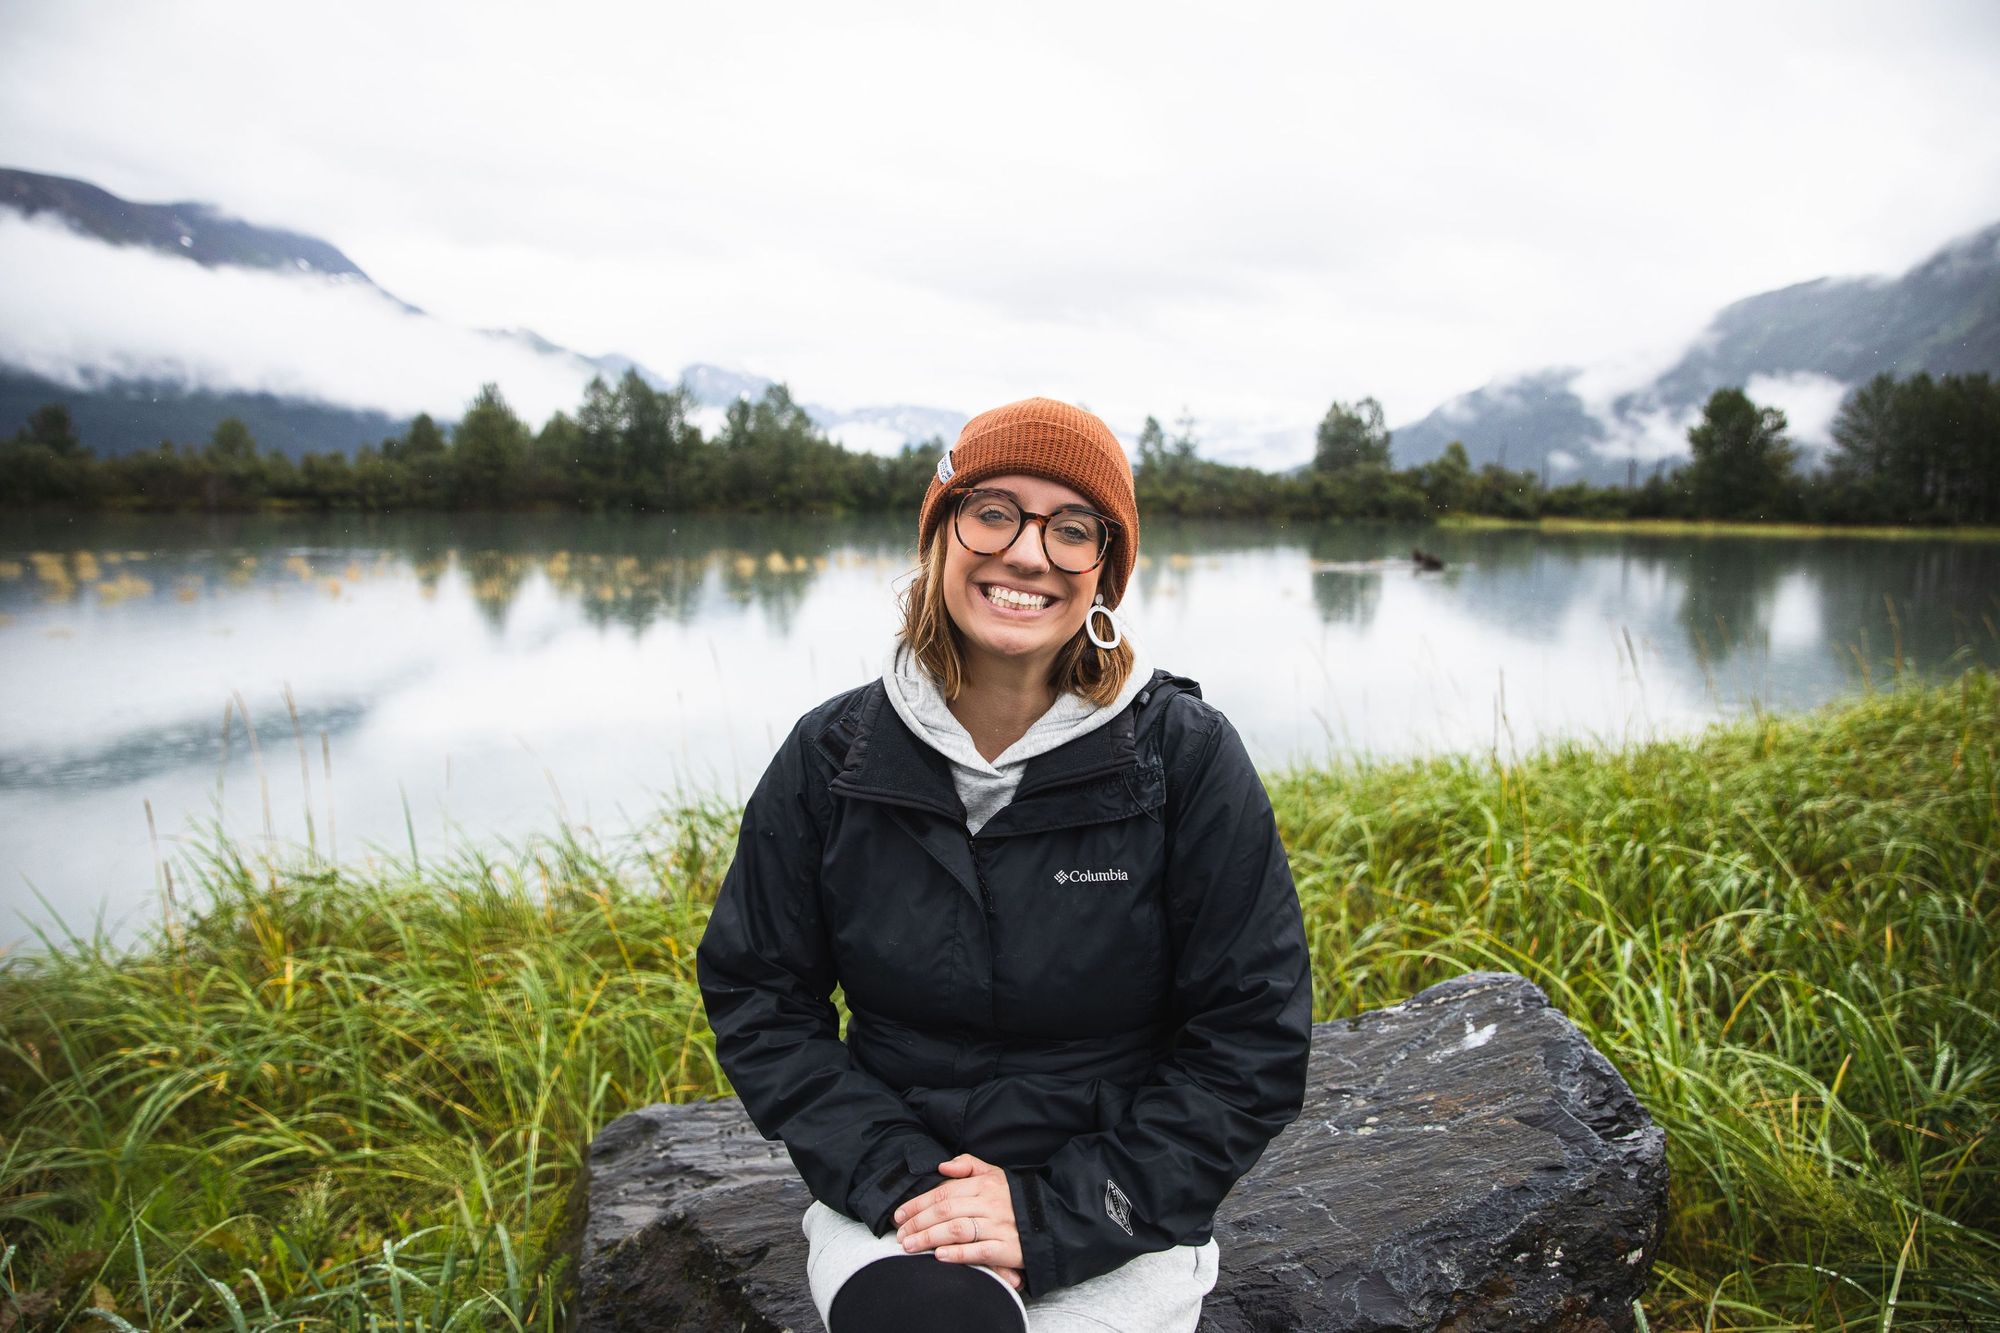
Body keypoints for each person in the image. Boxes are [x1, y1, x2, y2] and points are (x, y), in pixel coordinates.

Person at [696, 397, 1312, 1332]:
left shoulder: (1185, 757)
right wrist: (905, 1183)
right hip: (905, 1211)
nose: (1028, 553)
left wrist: (1056, 1212)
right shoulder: (834, 755)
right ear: (942, 532)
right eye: (993, 511)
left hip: (1120, 1215)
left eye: (1073, 530)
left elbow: (1252, 1041)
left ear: (1104, 571)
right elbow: (759, 995)